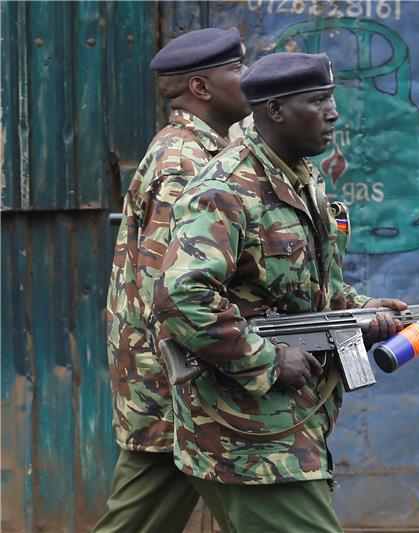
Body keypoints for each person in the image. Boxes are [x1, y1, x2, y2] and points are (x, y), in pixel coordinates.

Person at [152, 51, 406, 532]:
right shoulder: (225, 189)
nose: (333, 113)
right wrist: (266, 359)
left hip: (284, 423)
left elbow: (309, 291)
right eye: (318, 101)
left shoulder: (302, 179)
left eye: (331, 99)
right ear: (274, 111)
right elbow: (182, 298)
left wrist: (358, 310)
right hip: (248, 430)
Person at [96, 27, 251, 533]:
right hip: (176, 377)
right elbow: (174, 284)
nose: (248, 79)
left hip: (178, 375)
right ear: (203, 88)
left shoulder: (200, 150)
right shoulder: (184, 160)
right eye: (237, 69)